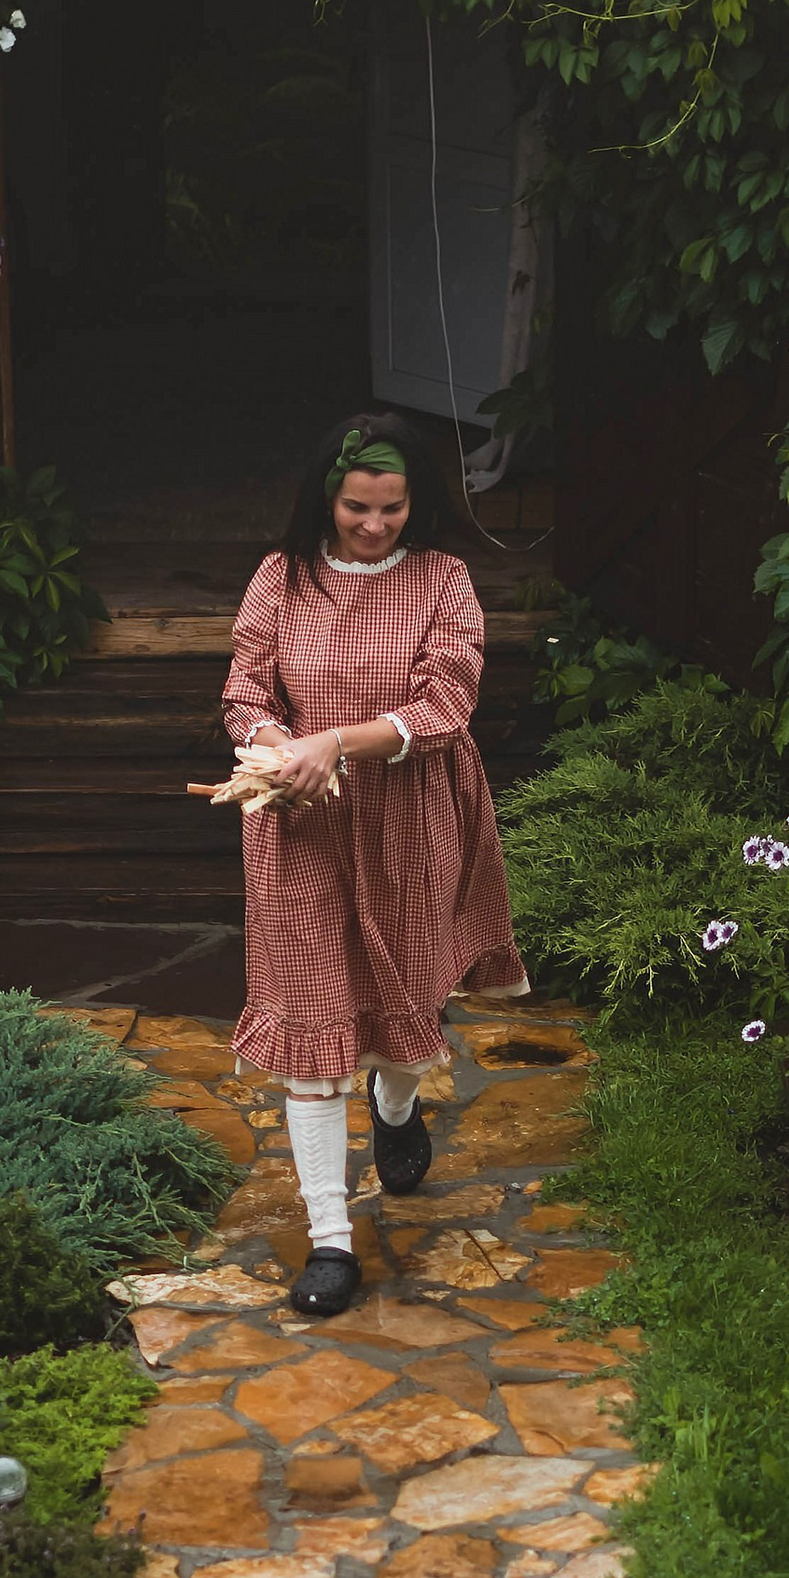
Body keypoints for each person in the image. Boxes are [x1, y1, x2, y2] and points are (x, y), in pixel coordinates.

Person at [224, 412, 529, 1315]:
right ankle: (329, 1239)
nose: (373, 524)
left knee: (408, 1004)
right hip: (302, 830)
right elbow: (244, 690)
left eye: (391, 508)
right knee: (315, 1033)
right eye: (358, 506)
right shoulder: (281, 578)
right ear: (328, 497)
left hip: (412, 818)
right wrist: (278, 743)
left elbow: (446, 703)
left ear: (414, 502)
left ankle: (397, 1110)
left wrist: (337, 743)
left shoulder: (445, 581)